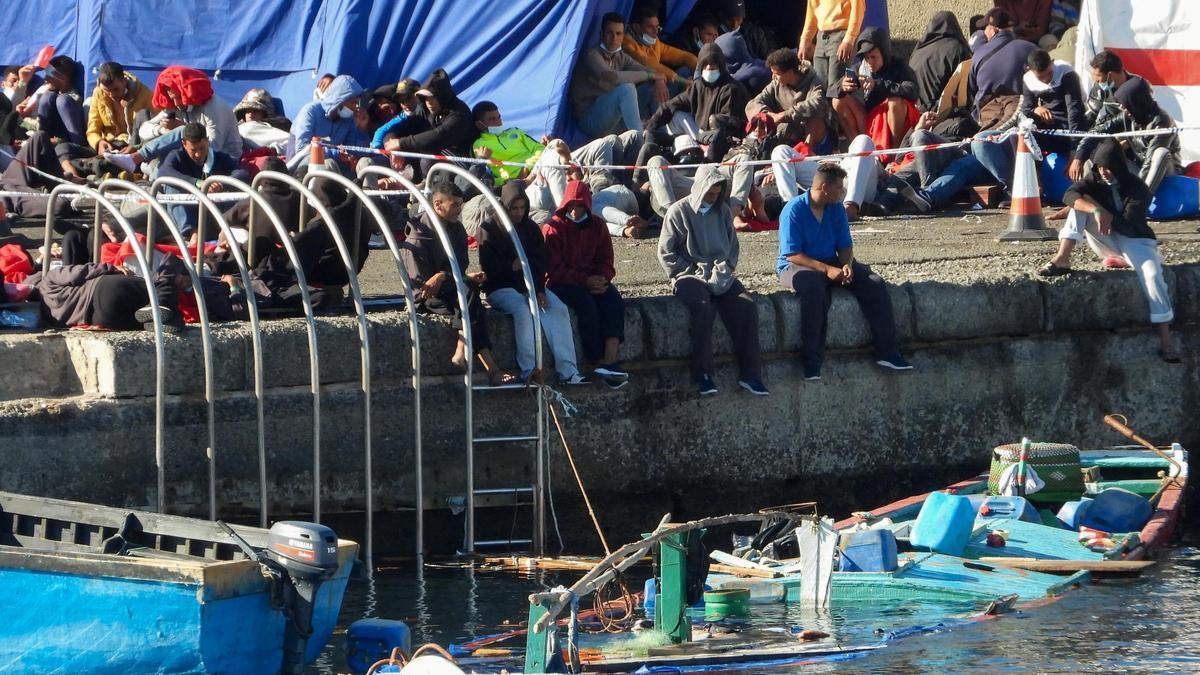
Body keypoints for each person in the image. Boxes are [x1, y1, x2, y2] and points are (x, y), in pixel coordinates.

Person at [1035, 139, 1178, 362]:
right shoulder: (1095, 178)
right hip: (1106, 239)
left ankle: (1166, 340)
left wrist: (1101, 209)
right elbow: (1069, 195)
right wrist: (1094, 208)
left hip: (1136, 240)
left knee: (1152, 276)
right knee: (1078, 207)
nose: (1104, 172)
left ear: (1119, 167)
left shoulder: (1137, 187)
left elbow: (1129, 224)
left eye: (1109, 168)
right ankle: (1062, 258)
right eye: (1101, 168)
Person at [777, 163, 912, 380]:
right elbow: (792, 254)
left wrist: (847, 264)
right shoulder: (794, 210)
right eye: (839, 188)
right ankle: (811, 361)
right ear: (824, 187)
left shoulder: (837, 209)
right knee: (814, 291)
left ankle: (888, 351)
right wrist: (827, 270)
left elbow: (845, 246)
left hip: (832, 260)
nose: (843, 192)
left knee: (873, 283)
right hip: (798, 265)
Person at [658, 164, 766, 396]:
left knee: (747, 305)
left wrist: (722, 273)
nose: (713, 198)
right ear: (698, 189)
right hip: (687, 274)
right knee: (702, 307)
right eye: (709, 194)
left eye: (717, 194)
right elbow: (666, 253)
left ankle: (751, 374)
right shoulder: (678, 212)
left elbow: (732, 250)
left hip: (720, 273)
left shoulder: (724, 211)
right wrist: (689, 270)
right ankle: (703, 374)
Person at [401, 180, 516, 385]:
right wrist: (453, 278)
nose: (459, 210)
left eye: (460, 205)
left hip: (453, 288)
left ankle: (464, 351)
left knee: (470, 294)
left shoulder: (456, 229)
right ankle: (487, 366)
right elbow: (423, 288)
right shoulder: (418, 238)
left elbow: (459, 267)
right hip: (426, 297)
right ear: (438, 205)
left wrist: (447, 276)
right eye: (454, 205)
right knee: (471, 299)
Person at [479, 180, 589, 385]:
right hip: (500, 287)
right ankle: (529, 369)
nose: (519, 213)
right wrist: (509, 268)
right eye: (514, 208)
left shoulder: (530, 228)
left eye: (523, 208)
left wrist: (539, 290)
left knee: (558, 309)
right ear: (505, 206)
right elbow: (488, 267)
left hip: (530, 286)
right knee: (522, 311)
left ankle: (569, 370)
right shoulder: (490, 227)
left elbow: (540, 262)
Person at [542, 180, 630, 389]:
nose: (574, 211)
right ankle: (595, 358)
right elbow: (553, 270)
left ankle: (610, 359)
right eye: (571, 206)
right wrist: (585, 281)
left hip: (593, 279)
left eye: (579, 206)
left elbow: (606, 260)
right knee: (586, 304)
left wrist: (603, 277)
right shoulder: (553, 227)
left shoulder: (598, 225)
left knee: (614, 301)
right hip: (562, 282)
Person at [107, 66, 242, 174]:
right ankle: (148, 173)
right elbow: (144, 129)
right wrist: (162, 130)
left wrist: (185, 129)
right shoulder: (175, 105)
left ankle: (136, 159)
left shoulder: (214, 107)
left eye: (178, 97)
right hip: (193, 158)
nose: (176, 103)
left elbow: (212, 146)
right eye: (172, 98)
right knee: (155, 163)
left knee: (183, 132)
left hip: (222, 161)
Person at [1074, 77, 1179, 197]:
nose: (1123, 108)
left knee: (1160, 153)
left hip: (1165, 173)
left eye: (1126, 104)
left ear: (1136, 101)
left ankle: (1139, 203)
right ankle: (1088, 197)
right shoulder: (1127, 116)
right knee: (1103, 150)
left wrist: (1136, 198)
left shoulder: (1162, 121)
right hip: (1140, 172)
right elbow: (1097, 132)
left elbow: (1150, 162)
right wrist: (1079, 157)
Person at [644, 43, 748, 164]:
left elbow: (730, 126)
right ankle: (687, 148)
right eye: (706, 65)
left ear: (721, 66)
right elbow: (670, 105)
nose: (709, 68)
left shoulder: (731, 88)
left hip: (723, 139)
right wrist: (650, 127)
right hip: (700, 133)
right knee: (675, 113)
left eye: (713, 66)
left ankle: (700, 153)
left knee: (716, 125)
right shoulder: (698, 86)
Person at [570, 12, 666, 138]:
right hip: (590, 119)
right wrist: (649, 76)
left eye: (618, 34)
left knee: (651, 88)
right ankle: (639, 145)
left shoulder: (620, 57)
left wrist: (659, 80)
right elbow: (612, 77)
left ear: (623, 36)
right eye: (609, 33)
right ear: (601, 34)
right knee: (627, 89)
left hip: (613, 118)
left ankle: (664, 137)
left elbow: (652, 72)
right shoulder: (592, 55)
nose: (614, 38)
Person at [832, 26, 920, 151]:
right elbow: (831, 91)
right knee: (838, 100)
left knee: (894, 101)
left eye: (873, 57)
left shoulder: (899, 66)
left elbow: (913, 90)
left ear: (884, 53)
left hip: (892, 120)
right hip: (869, 121)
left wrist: (877, 85)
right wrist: (843, 86)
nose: (869, 62)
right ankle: (859, 149)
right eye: (866, 58)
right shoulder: (860, 68)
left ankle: (895, 152)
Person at [157, 122, 247, 236]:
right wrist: (198, 183)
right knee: (172, 186)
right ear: (184, 144)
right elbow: (163, 172)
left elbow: (242, 174)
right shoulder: (177, 156)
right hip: (184, 213)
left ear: (207, 141)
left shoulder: (220, 157)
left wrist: (221, 184)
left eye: (202, 148)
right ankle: (192, 234)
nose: (198, 154)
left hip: (212, 216)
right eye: (193, 150)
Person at [991, 48, 1083, 157]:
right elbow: (1026, 109)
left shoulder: (1066, 72)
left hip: (1068, 121)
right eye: (1041, 77)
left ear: (1052, 63)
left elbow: (1074, 109)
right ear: (1030, 70)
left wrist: (1074, 150)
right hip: (1048, 122)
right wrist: (1036, 110)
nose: (1046, 79)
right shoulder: (1028, 79)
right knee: (1025, 123)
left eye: (1049, 73)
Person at [746, 48, 830, 151]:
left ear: (790, 73)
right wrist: (768, 116)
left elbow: (817, 103)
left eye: (777, 74)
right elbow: (753, 104)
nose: (773, 77)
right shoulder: (776, 84)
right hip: (785, 134)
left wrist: (784, 115)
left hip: (811, 137)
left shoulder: (814, 82)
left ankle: (806, 152)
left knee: (815, 119)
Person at [384, 69, 476, 160]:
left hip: (465, 164)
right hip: (436, 166)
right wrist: (393, 145)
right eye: (426, 98)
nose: (429, 102)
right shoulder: (425, 110)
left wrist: (401, 143)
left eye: (432, 97)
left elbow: (439, 136)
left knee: (427, 155)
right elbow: (401, 129)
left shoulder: (459, 114)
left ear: (442, 96)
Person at [970, 8, 1037, 127]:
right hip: (1025, 118)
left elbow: (973, 89)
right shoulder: (1031, 49)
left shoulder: (978, 55)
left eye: (985, 28)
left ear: (992, 30)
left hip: (988, 121)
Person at [288, 74, 369, 169]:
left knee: (366, 163)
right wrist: (337, 154)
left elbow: (353, 151)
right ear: (340, 100)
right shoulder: (310, 111)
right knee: (329, 163)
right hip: (299, 168)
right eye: (353, 103)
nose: (356, 107)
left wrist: (361, 129)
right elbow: (302, 149)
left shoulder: (348, 119)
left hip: (331, 164)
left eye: (357, 103)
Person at [798, 0, 866, 105]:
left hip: (841, 35)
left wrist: (848, 40)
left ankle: (838, 120)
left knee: (836, 86)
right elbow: (811, 14)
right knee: (818, 86)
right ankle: (825, 120)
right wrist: (804, 42)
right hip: (821, 36)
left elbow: (857, 11)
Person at [87, 62, 156, 156]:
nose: (111, 95)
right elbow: (92, 129)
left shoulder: (144, 94)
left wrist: (136, 147)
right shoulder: (98, 93)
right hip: (109, 145)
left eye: (115, 89)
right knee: (64, 148)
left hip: (133, 146)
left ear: (124, 81)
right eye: (107, 91)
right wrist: (98, 143)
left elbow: (155, 128)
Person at [908, 12, 973, 113]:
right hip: (940, 113)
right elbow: (966, 89)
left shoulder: (917, 51)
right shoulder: (957, 49)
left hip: (916, 115)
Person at [471, 101, 545, 187]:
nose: (499, 122)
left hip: (537, 167)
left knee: (556, 144)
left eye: (499, 117)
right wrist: (511, 181)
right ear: (479, 125)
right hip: (516, 185)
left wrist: (527, 168)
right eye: (492, 119)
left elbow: (540, 148)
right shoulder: (479, 145)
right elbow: (486, 177)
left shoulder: (515, 131)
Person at [623, 4, 696, 88]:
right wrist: (682, 81)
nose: (655, 32)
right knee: (654, 84)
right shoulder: (626, 43)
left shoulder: (655, 42)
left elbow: (681, 56)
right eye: (650, 27)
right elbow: (648, 64)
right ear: (636, 27)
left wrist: (702, 68)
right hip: (636, 89)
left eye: (657, 27)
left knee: (686, 71)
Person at [713, 2, 772, 94]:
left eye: (738, 19)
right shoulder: (713, 35)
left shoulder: (755, 33)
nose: (734, 24)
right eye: (730, 20)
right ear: (721, 16)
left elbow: (768, 57)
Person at [233, 88, 290, 153]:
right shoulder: (237, 129)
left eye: (256, 111)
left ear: (265, 113)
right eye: (247, 111)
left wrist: (273, 149)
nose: (250, 115)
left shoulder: (246, 128)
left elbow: (293, 142)